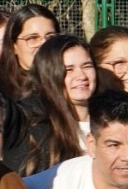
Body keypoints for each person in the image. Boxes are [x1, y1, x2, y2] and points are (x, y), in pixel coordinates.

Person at [15, 35, 94, 175]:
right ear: (49, 75)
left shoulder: (108, 119)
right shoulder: (33, 124)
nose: (81, 76)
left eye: (87, 66)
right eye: (68, 70)